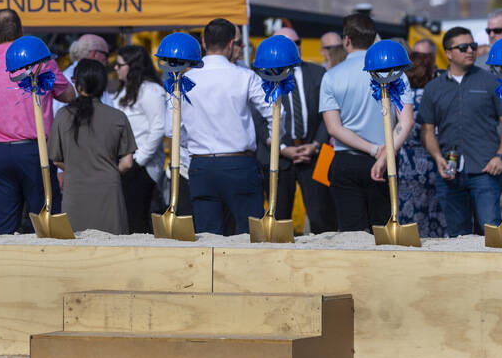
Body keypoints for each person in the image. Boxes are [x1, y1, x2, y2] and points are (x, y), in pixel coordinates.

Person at [0, 10, 75, 234]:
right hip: (36, 149)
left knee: (3, 223)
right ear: (21, 31)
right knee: (46, 218)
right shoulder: (40, 63)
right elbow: (69, 95)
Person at [419, 27, 502, 237]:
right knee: (458, 235)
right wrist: (437, 157)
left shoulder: (491, 81)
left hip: (485, 171)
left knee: (491, 232)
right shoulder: (433, 88)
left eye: (473, 46)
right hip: (449, 172)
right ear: (448, 53)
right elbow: (427, 130)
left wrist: (501, 156)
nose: (470, 51)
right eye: (463, 47)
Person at [320, 14, 413, 232]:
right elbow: (406, 122)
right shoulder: (395, 72)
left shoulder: (332, 76)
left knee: (352, 235)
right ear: (373, 39)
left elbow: (334, 128)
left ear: (346, 40)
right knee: (384, 231)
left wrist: (373, 150)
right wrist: (384, 153)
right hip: (386, 157)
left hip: (348, 160)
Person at [177, 18, 270, 235]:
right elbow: (275, 112)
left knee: (208, 236)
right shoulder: (245, 76)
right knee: (250, 235)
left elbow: (172, 128)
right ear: (231, 44)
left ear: (203, 42)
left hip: (202, 165)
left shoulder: (184, 80)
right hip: (239, 163)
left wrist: (191, 142)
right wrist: (276, 139)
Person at [49, 59, 136, 234]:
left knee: (75, 248)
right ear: (103, 86)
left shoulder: (63, 115)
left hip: (75, 190)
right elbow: (127, 163)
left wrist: (78, 168)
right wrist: (107, 171)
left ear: (77, 84)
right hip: (108, 191)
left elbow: (56, 159)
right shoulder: (118, 117)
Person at [267, 27, 336, 234]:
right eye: (289, 44)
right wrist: (282, 148)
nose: (295, 48)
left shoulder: (318, 73)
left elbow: (329, 115)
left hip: (315, 154)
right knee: (279, 219)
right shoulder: (265, 76)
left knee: (323, 217)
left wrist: (315, 145)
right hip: (280, 157)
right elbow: (259, 121)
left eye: (297, 43)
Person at [110, 44, 167, 233]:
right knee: (124, 219)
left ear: (133, 66)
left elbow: (158, 128)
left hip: (142, 165)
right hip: (123, 163)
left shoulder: (151, 91)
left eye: (120, 65)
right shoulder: (121, 91)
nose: (116, 68)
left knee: (138, 220)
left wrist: (139, 160)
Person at [397, 50, 446, 237]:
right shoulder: (435, 95)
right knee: (436, 213)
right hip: (434, 157)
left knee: (410, 214)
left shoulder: (402, 98)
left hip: (407, 161)